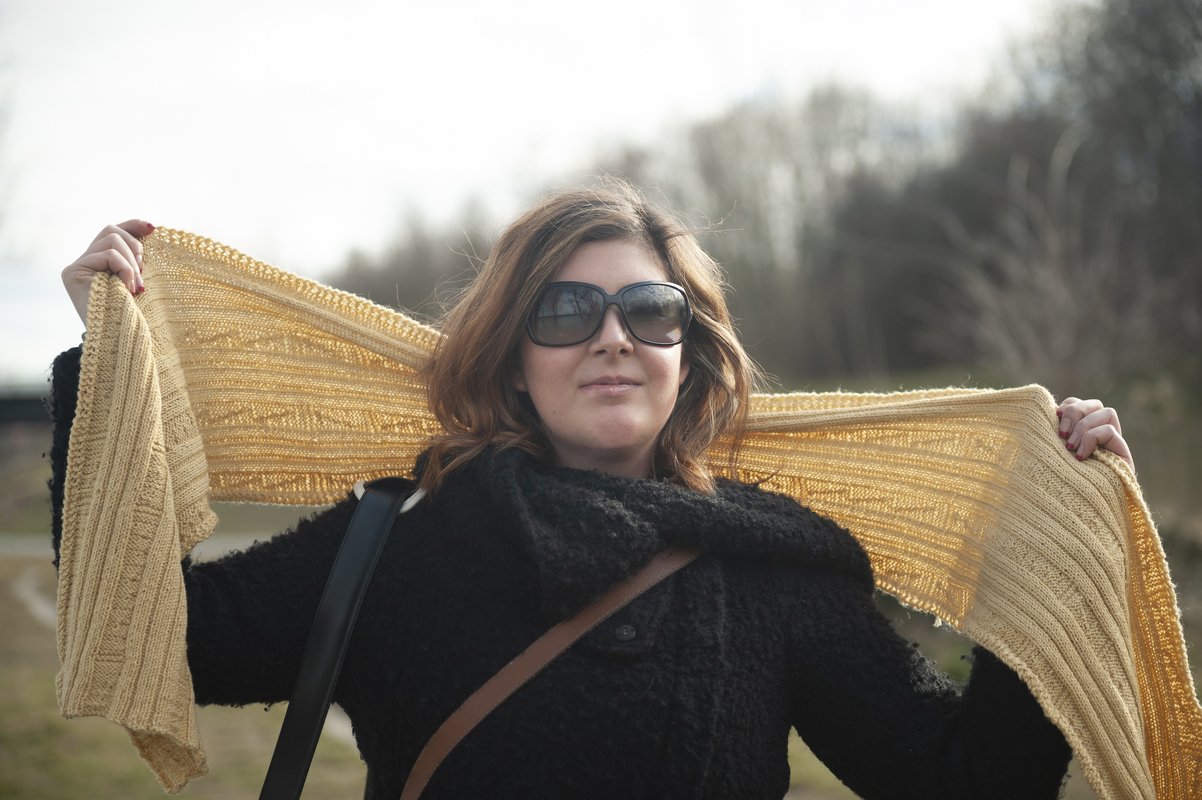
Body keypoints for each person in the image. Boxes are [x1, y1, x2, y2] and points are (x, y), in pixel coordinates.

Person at [51, 182, 1134, 798]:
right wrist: (105, 379)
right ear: (512, 354)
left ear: (687, 356)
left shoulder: (769, 568)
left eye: (650, 312)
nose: (612, 338)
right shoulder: (403, 538)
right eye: (566, 311)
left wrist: (1049, 538)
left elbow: (969, 782)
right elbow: (165, 638)